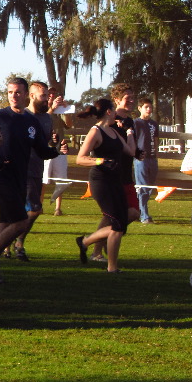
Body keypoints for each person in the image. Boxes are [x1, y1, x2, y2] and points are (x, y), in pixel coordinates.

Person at [0, 78, 66, 284]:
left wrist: (56, 150)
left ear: (26, 95)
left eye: (18, 92)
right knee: (20, 221)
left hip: (21, 178)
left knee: (4, 224)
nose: (13, 96)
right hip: (0, 177)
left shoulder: (32, 122)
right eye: (10, 92)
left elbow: (41, 150)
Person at [74, 99, 136, 273]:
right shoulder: (96, 131)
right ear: (109, 111)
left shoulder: (114, 132)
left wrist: (129, 132)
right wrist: (100, 161)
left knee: (121, 223)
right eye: (114, 110)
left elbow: (130, 151)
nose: (117, 113)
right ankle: (112, 268)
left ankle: (85, 242)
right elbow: (80, 158)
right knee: (117, 224)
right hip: (101, 182)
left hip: (116, 181)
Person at [3, 81, 57, 260]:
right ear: (31, 96)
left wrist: (55, 144)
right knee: (32, 209)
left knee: (29, 211)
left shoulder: (47, 118)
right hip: (20, 169)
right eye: (44, 96)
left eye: (48, 95)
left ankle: (14, 243)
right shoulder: (20, 116)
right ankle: (13, 244)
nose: (48, 99)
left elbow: (43, 145)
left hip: (37, 169)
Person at [43, 87, 72, 216]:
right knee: (43, 180)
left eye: (54, 95)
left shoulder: (59, 113)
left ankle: (57, 208)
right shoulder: (42, 110)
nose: (52, 97)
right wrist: (52, 108)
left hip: (60, 150)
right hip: (45, 150)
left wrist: (66, 110)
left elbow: (69, 125)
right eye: (49, 94)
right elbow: (43, 119)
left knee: (61, 181)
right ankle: (39, 205)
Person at [134, 97, 159, 224]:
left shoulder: (154, 124)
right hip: (141, 159)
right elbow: (132, 140)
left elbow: (155, 139)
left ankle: (137, 211)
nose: (149, 110)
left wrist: (156, 155)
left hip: (152, 158)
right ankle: (144, 215)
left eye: (150, 107)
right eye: (146, 107)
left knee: (150, 186)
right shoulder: (136, 123)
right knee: (142, 186)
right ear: (140, 108)